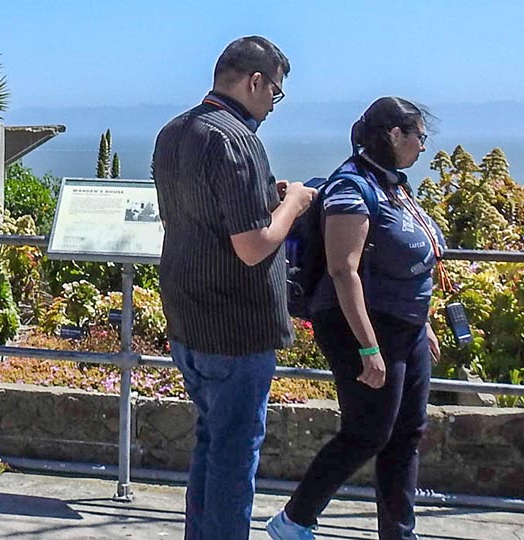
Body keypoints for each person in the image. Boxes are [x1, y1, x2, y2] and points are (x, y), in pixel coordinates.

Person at [151, 36, 318, 540]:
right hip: (236, 329)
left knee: (210, 444)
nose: (273, 104)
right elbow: (252, 246)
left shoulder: (173, 132)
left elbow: (202, 216)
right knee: (233, 458)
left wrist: (268, 196)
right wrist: (295, 204)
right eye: (276, 93)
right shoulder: (237, 140)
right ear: (255, 81)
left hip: (187, 317)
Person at [266, 97, 444, 540]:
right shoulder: (351, 187)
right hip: (362, 327)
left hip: (405, 326)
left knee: (406, 433)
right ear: (394, 135)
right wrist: (368, 347)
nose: (423, 147)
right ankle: (294, 520)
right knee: (368, 432)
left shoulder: (394, 186)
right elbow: (343, 269)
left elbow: (400, 263)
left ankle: (399, 533)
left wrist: (422, 322)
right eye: (419, 136)